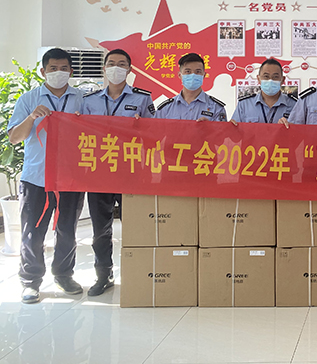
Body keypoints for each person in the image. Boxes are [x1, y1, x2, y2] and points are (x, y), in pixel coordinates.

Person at [7, 48, 86, 304]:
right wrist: (32, 117)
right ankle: (30, 281)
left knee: (67, 231)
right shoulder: (29, 99)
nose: (58, 73)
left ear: (71, 71)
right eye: (53, 68)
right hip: (36, 178)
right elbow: (14, 137)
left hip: (71, 178)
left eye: (63, 68)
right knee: (32, 232)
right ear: (43, 71)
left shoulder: (82, 99)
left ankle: (64, 275)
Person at [82, 49, 155, 296]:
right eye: (111, 63)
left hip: (130, 173)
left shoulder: (143, 98)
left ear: (130, 70)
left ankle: (137, 275)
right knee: (100, 230)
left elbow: (153, 134)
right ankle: (104, 275)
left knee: (135, 227)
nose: (116, 68)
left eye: (122, 64)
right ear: (104, 68)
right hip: (98, 174)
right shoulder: (89, 100)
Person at [155, 53, 227, 121]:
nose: (193, 75)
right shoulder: (165, 108)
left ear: (204, 75)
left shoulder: (217, 108)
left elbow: (222, 130)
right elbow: (155, 129)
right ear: (180, 75)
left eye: (198, 72)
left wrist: (209, 127)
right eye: (188, 71)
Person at [231, 58, 296, 124]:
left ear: (283, 80)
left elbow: (300, 129)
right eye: (266, 76)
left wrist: (291, 127)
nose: (270, 80)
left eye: (275, 77)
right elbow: (234, 129)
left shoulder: (295, 105)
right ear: (258, 79)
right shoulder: (244, 105)